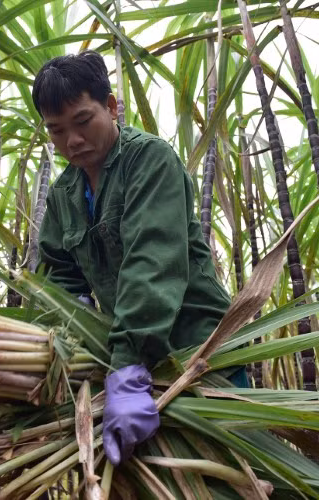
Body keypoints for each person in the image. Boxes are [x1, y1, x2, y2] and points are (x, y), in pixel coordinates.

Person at [32, 51, 249, 467]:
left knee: (234, 473)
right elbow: (60, 276)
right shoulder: (63, 195)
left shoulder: (149, 160)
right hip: (129, 358)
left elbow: (151, 264)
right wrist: (67, 333)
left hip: (199, 352)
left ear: (111, 107)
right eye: (56, 130)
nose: (72, 141)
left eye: (82, 121)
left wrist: (127, 365)